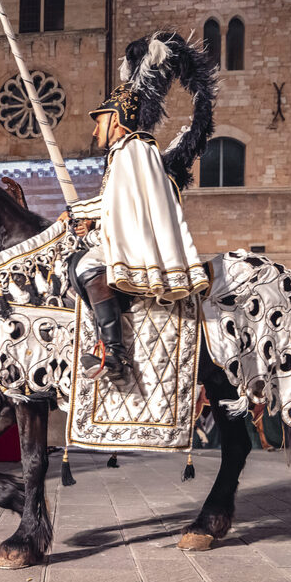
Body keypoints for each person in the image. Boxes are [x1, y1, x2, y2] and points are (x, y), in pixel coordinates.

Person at [60, 31, 217, 383]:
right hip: (127, 237)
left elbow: (115, 202)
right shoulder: (126, 152)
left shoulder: (134, 148)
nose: (94, 132)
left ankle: (114, 353)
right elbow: (122, 208)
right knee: (74, 262)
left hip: (138, 247)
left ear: (115, 120)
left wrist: (77, 212)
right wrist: (94, 224)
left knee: (85, 266)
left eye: (98, 122)